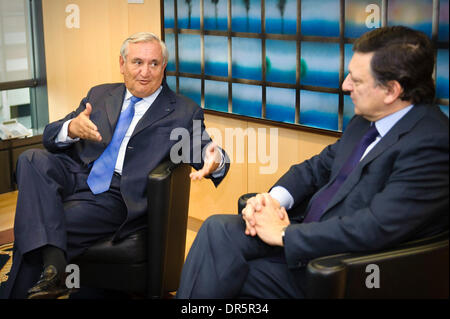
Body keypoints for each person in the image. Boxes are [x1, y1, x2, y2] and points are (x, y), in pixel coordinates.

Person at [176, 26, 449, 298]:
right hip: (305, 234)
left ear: (391, 90)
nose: (345, 85)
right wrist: (272, 201)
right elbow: (316, 168)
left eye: (357, 79)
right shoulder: (365, 120)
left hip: (343, 266)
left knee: (227, 277)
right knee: (217, 229)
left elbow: (375, 227)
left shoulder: (431, 144)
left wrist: (284, 235)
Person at [0, 32, 229, 299]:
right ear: (122, 64)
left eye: (154, 64)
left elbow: (204, 150)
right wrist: (71, 128)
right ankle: (56, 271)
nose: (145, 72)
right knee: (30, 158)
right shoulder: (100, 94)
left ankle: (45, 273)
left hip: (116, 194)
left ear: (163, 67)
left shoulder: (181, 111)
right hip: (76, 173)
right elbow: (51, 137)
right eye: (137, 62)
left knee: (35, 222)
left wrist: (215, 159)